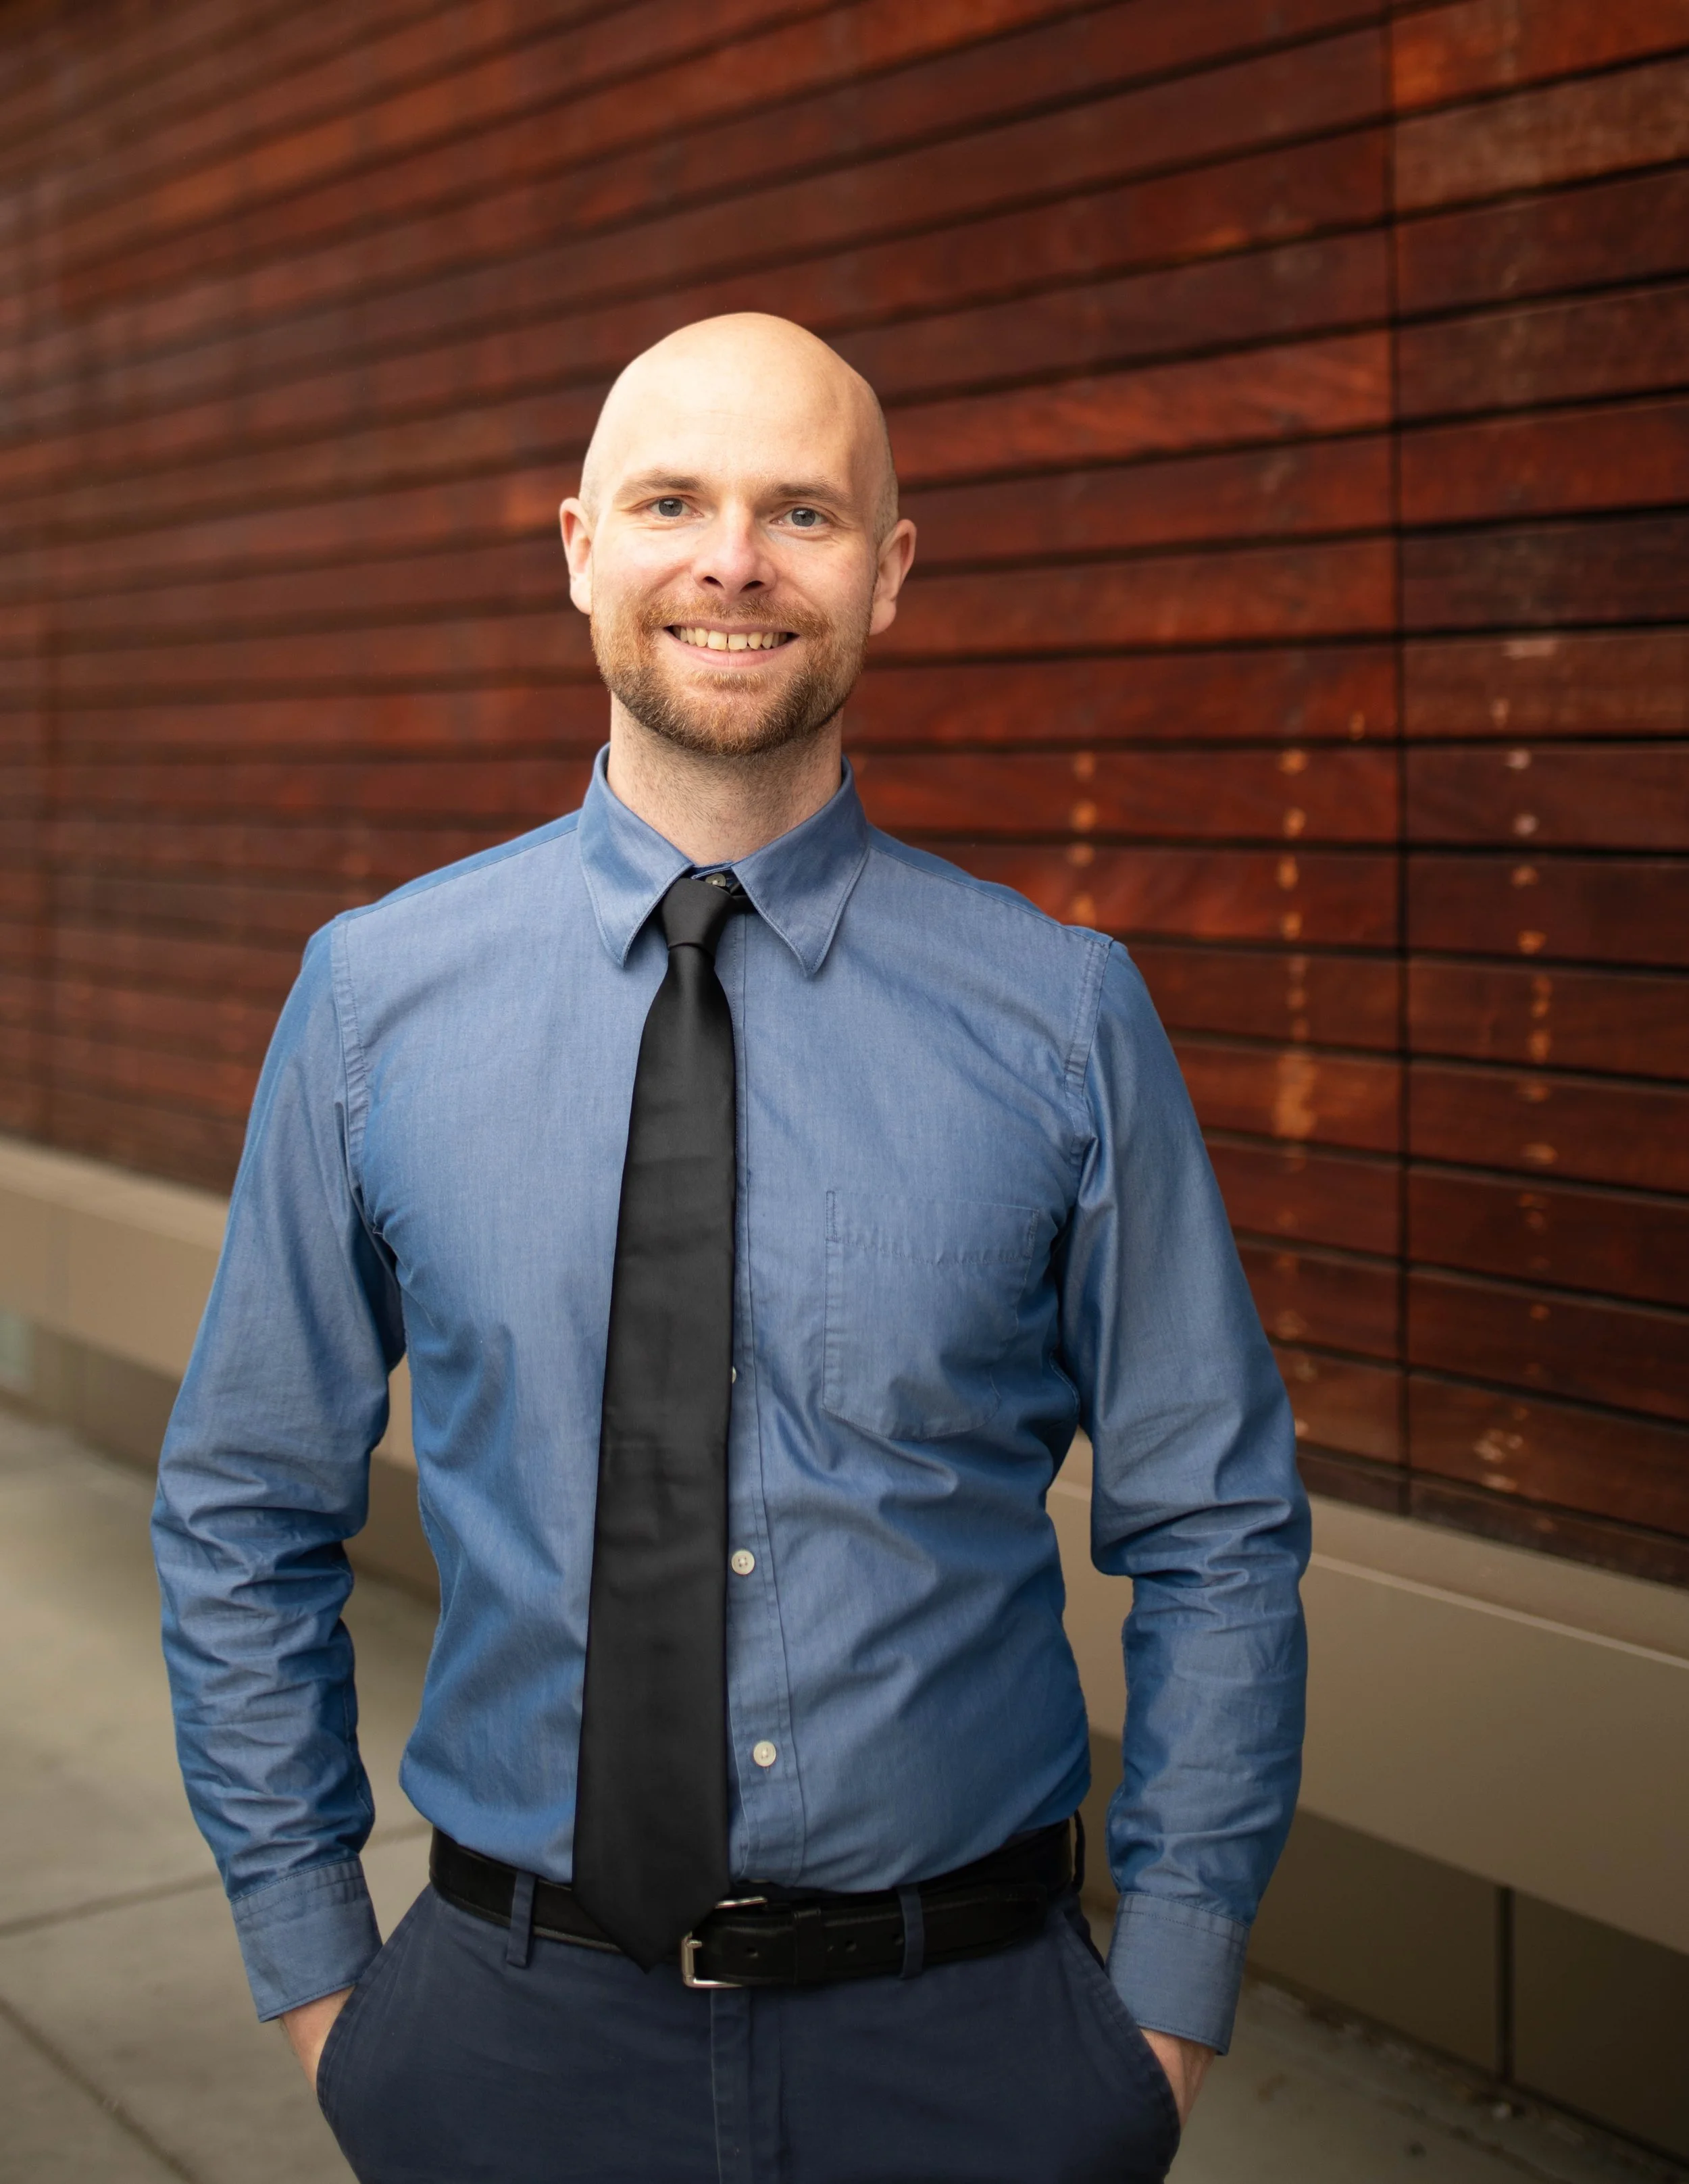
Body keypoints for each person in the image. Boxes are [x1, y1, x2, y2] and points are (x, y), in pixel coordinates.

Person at [153, 312, 1308, 2184]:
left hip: (979, 2049)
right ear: (579, 546)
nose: (733, 561)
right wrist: (324, 1992)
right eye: (672, 500)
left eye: (802, 512)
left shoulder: (1062, 1016)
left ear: (890, 574)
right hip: (501, 2043)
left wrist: (1159, 2012)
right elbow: (238, 1504)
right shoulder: (373, 999)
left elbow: (1215, 1522)